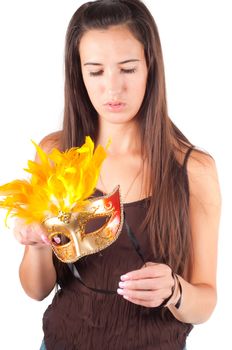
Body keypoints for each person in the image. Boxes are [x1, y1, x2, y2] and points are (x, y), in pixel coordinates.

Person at [13, 1, 221, 349]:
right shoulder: (55, 153)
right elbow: (37, 290)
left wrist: (174, 290)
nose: (113, 88)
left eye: (127, 69)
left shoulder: (192, 170)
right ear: (78, 74)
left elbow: (205, 303)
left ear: (149, 67)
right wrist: (36, 245)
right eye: (95, 71)